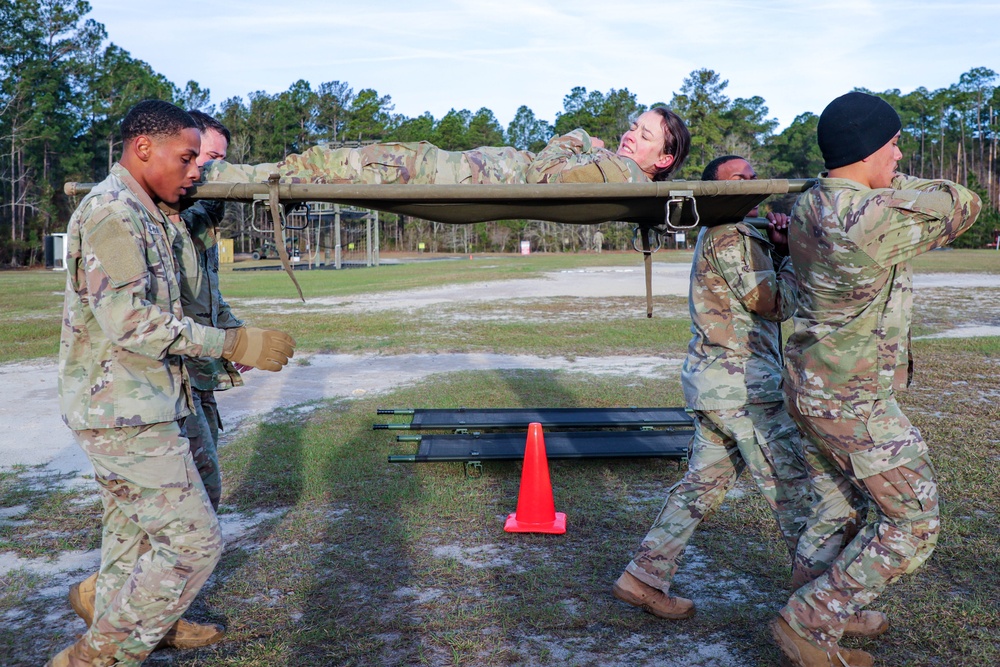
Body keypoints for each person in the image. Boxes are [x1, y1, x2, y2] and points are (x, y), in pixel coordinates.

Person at [49, 100, 296, 667]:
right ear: (143, 148)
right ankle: (95, 658)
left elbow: (183, 298)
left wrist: (234, 334)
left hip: (152, 401)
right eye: (188, 158)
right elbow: (128, 320)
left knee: (131, 538)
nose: (195, 172)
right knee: (193, 544)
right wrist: (230, 344)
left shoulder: (156, 213)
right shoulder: (112, 214)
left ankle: (147, 625)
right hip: (123, 412)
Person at [770, 92, 982, 667]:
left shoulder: (814, 202)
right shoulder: (867, 215)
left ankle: (825, 603)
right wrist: (897, 183)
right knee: (914, 518)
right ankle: (810, 620)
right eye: (891, 145)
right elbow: (964, 202)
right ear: (866, 150)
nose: (898, 154)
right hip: (850, 395)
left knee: (839, 506)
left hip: (812, 383)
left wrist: (880, 180)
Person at [611, 155, 814, 623]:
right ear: (713, 192)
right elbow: (774, 303)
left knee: (700, 489)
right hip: (744, 389)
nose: (748, 182)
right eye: (735, 179)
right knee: (794, 490)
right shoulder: (728, 237)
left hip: (722, 387)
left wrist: (776, 243)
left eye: (750, 175)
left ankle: (642, 578)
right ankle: (826, 602)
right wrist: (791, 254)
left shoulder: (740, 233)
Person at [202, 107, 690, 186]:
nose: (630, 135)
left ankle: (215, 173)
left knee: (321, 163)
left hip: (445, 172)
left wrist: (579, 137)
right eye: (634, 126)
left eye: (643, 136)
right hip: (448, 166)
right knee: (321, 163)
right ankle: (217, 171)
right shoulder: (616, 167)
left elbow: (546, 173)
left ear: (663, 159)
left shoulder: (619, 173)